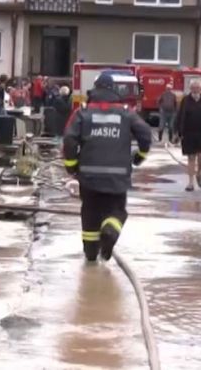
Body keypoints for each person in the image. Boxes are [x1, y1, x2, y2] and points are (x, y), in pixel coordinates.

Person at [63, 73, 152, 262]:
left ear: (95, 88)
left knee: (90, 212)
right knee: (117, 210)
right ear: (113, 90)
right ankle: (110, 231)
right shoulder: (126, 113)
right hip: (118, 177)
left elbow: (69, 139)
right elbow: (145, 133)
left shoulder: (83, 112)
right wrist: (139, 156)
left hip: (89, 176)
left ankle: (90, 253)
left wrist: (71, 166)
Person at [176, 80, 201, 191]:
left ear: (200, 88)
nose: (195, 89)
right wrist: (178, 132)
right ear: (190, 88)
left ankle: (199, 173)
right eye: (193, 87)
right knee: (191, 157)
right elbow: (180, 116)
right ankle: (190, 183)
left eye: (197, 87)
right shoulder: (186, 100)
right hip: (188, 133)